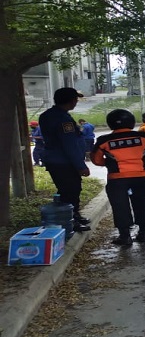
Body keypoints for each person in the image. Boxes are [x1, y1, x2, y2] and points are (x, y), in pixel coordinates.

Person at [90, 109, 145, 246]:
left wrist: (111, 164)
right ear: (132, 122)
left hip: (117, 179)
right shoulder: (143, 137)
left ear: (110, 124)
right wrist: (141, 161)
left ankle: (125, 237)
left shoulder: (104, 140)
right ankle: (143, 234)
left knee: (120, 206)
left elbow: (97, 160)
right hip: (141, 177)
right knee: (143, 204)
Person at [38, 87, 91, 232]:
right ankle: (70, 220)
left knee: (67, 189)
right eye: (75, 99)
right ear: (71, 101)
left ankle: (73, 215)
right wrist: (81, 166)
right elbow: (70, 145)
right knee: (71, 190)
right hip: (64, 162)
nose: (76, 102)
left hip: (55, 160)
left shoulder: (47, 115)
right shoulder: (63, 119)